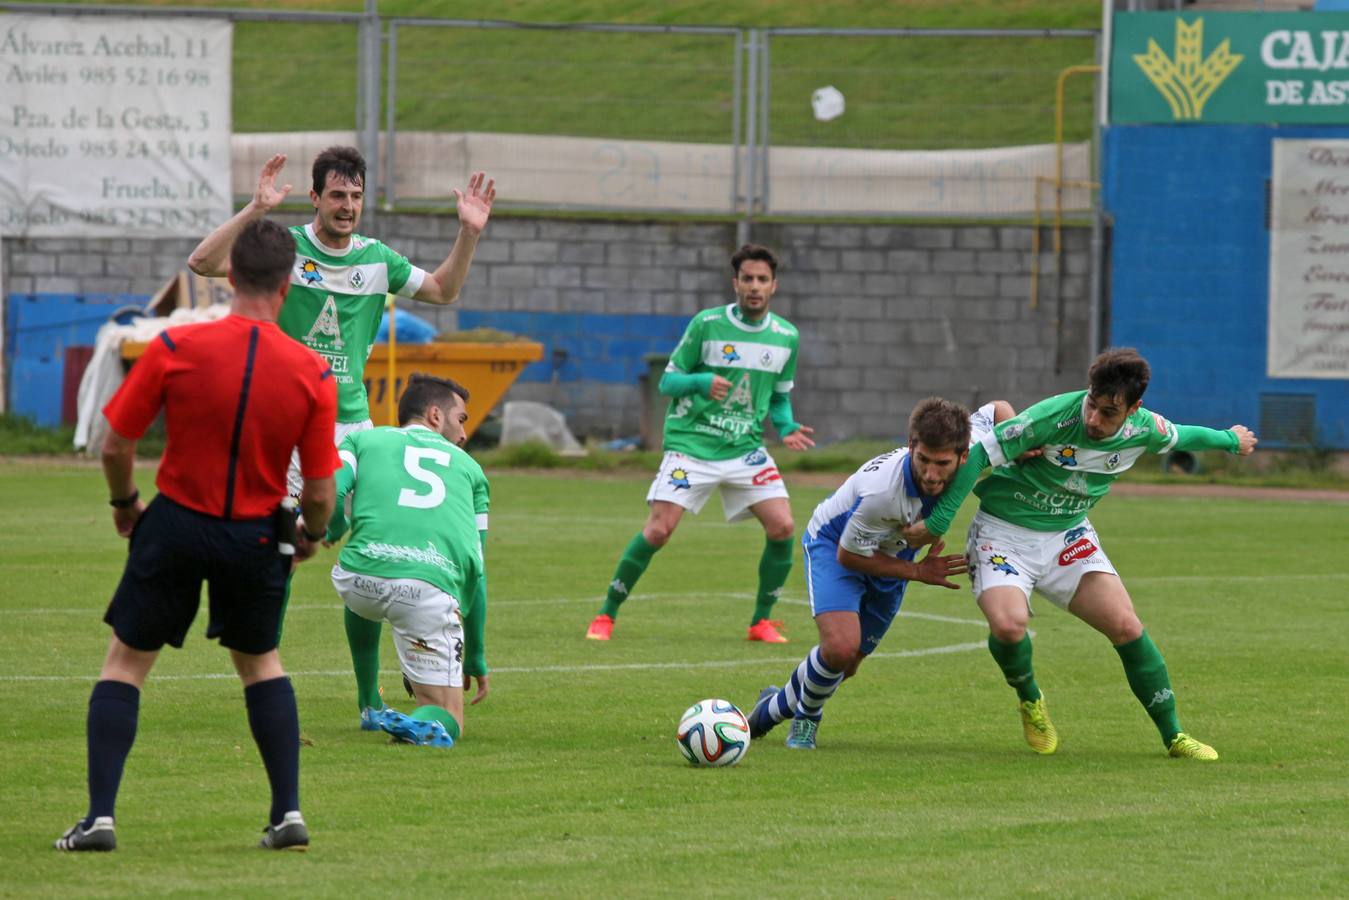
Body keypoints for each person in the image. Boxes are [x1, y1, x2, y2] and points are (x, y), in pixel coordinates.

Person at [55, 220, 339, 853]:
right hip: (257, 534)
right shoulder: (312, 373)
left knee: (126, 663)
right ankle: (287, 814)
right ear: (289, 284)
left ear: (230, 277)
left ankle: (100, 818)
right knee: (260, 663)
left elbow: (114, 444)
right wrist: (311, 534)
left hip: (177, 522)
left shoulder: (177, 347)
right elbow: (320, 493)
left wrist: (126, 504)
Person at [187, 146, 494, 635]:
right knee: (281, 550)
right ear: (314, 197)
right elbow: (203, 263)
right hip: (285, 423)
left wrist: (469, 233)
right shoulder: (283, 250)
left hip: (351, 427)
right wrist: (256, 210)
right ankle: (263, 649)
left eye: (355, 195)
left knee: (374, 550)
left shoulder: (378, 260)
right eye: (336, 195)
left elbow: (442, 290)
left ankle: (368, 696)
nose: (347, 205)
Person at [902, 348, 1258, 761]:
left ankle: (1175, 735)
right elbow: (980, 451)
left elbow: (1184, 434)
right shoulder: (1052, 416)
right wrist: (940, 520)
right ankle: (1031, 699)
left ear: (1134, 409)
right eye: (1092, 403)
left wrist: (1232, 440)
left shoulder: (1145, 429)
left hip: (1068, 537)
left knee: (1126, 626)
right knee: (1009, 626)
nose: (1093, 418)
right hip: (1003, 534)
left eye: (1108, 412)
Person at [747, 399, 1009, 749]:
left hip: (893, 552)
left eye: (942, 464)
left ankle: (771, 708)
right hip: (837, 545)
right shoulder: (884, 493)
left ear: (963, 457)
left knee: (848, 665)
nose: (931, 474)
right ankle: (806, 717)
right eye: (923, 460)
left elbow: (998, 410)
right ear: (911, 446)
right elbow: (849, 555)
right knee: (839, 647)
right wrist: (916, 570)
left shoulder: (974, 444)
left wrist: (1023, 449)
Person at [586, 244, 816, 643]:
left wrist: (788, 425)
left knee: (783, 526)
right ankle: (606, 615)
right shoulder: (706, 324)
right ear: (736, 283)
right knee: (658, 531)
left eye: (762, 279)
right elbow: (667, 382)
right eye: (747, 279)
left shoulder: (786, 337)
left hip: (745, 449)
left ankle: (761, 622)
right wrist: (701, 381)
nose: (755, 287)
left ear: (774, 286)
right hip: (691, 447)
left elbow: (778, 396)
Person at [323, 373, 490, 747]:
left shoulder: (362, 438)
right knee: (449, 718)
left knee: (369, 584)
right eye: (460, 419)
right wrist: (475, 654)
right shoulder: (472, 471)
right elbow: (476, 571)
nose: (464, 434)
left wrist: (333, 527)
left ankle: (369, 703)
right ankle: (418, 720)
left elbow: (331, 487)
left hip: (357, 579)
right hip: (425, 591)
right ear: (435, 415)